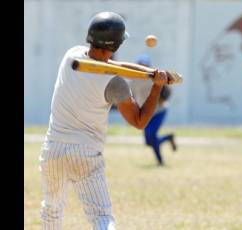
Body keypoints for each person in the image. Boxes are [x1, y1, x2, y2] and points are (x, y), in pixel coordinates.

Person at [39, 12, 173, 230]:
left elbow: (115, 66)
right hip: (86, 154)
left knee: (52, 211)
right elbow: (139, 121)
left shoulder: (71, 55)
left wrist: (152, 73)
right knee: (102, 217)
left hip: (53, 149)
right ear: (117, 44)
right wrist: (157, 86)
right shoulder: (115, 84)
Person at [129, 54, 177, 166]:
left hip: (159, 111)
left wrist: (162, 98)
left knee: (151, 134)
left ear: (148, 67)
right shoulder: (133, 82)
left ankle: (160, 162)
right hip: (146, 112)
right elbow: (131, 98)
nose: (141, 67)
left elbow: (168, 91)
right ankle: (168, 138)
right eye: (139, 65)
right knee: (148, 141)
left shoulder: (154, 78)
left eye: (144, 65)